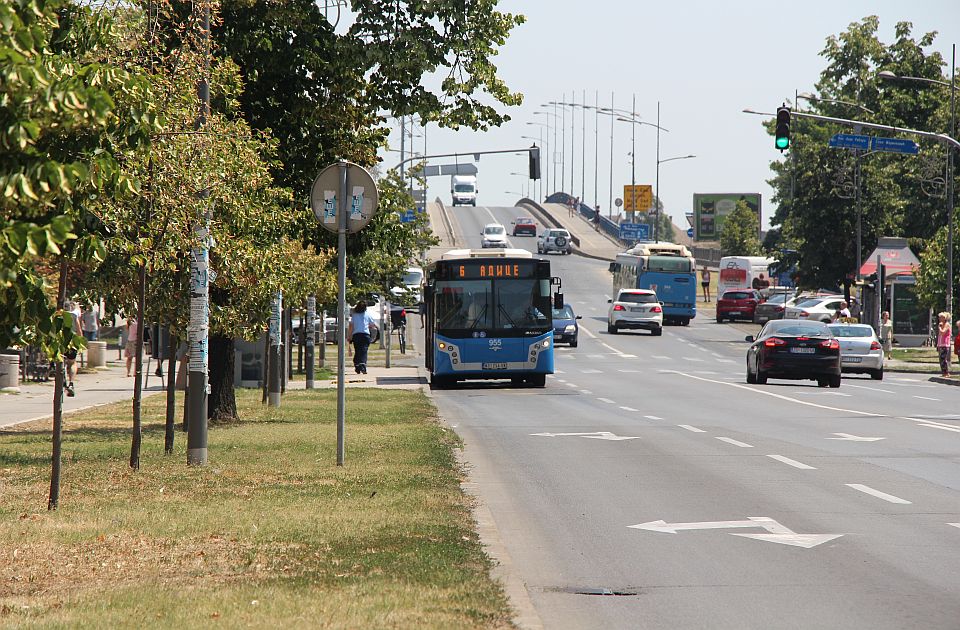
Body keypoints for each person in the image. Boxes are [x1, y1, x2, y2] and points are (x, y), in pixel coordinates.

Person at [347, 300, 377, 375]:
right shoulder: (367, 314)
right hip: (365, 335)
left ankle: (357, 365)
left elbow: (351, 326)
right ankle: (362, 365)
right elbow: (372, 324)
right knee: (364, 351)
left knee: (357, 351)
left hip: (356, 335)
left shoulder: (354, 315)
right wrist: (368, 326)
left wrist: (349, 336)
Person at [63, 301, 81, 397]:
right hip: (72, 342)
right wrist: (80, 343)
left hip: (61, 342)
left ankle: (63, 378)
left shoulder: (58, 316)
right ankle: (71, 383)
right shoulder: (74, 317)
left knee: (61, 361)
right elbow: (79, 330)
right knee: (72, 363)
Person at [936, 311, 952, 377]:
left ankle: (946, 372)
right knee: (940, 359)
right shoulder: (941, 324)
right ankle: (943, 372)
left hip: (945, 344)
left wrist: (939, 327)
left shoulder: (947, 325)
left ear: (944, 318)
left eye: (941, 317)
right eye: (939, 317)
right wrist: (938, 344)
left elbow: (942, 332)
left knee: (943, 359)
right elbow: (940, 335)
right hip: (940, 344)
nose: (939, 319)